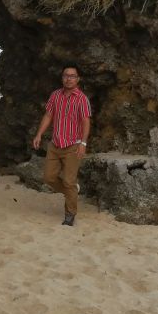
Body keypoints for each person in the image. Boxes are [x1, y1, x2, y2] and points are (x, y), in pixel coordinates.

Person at [32, 65, 91, 226]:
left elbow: (86, 122)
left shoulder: (82, 99)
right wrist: (39, 134)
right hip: (56, 144)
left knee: (68, 181)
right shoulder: (55, 95)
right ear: (62, 77)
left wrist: (83, 143)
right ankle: (71, 192)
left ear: (77, 79)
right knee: (48, 177)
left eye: (72, 76)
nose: (69, 78)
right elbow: (48, 115)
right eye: (66, 75)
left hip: (73, 145)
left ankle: (70, 214)